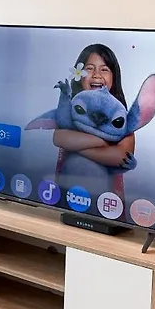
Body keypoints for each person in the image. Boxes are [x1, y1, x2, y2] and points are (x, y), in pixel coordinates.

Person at [53, 44, 134, 198]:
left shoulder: (119, 116)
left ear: (114, 77)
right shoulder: (72, 108)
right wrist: (103, 142)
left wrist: (80, 146)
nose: (96, 75)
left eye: (104, 69)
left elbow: (121, 156)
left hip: (106, 199)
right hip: (68, 191)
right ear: (79, 77)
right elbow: (59, 138)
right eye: (89, 68)